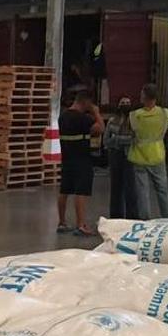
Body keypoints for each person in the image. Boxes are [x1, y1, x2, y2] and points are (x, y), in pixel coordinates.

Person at [57, 91, 103, 236]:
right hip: (81, 158)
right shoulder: (82, 118)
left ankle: (62, 222)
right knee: (81, 191)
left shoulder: (63, 116)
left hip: (66, 158)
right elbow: (100, 129)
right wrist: (96, 113)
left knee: (64, 190)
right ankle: (81, 224)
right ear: (86, 102)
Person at [129, 84, 168, 218]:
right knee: (162, 190)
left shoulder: (135, 116)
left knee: (142, 191)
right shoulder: (165, 113)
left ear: (144, 97)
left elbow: (132, 133)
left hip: (139, 157)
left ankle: (145, 219)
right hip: (157, 155)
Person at [104, 95, 139, 219]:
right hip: (115, 156)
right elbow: (106, 141)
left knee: (131, 187)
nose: (125, 104)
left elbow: (135, 139)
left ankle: (132, 216)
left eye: (128, 102)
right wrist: (123, 140)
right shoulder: (112, 121)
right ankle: (115, 216)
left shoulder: (135, 121)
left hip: (129, 156)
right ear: (118, 105)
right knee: (115, 187)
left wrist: (117, 139)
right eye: (123, 102)